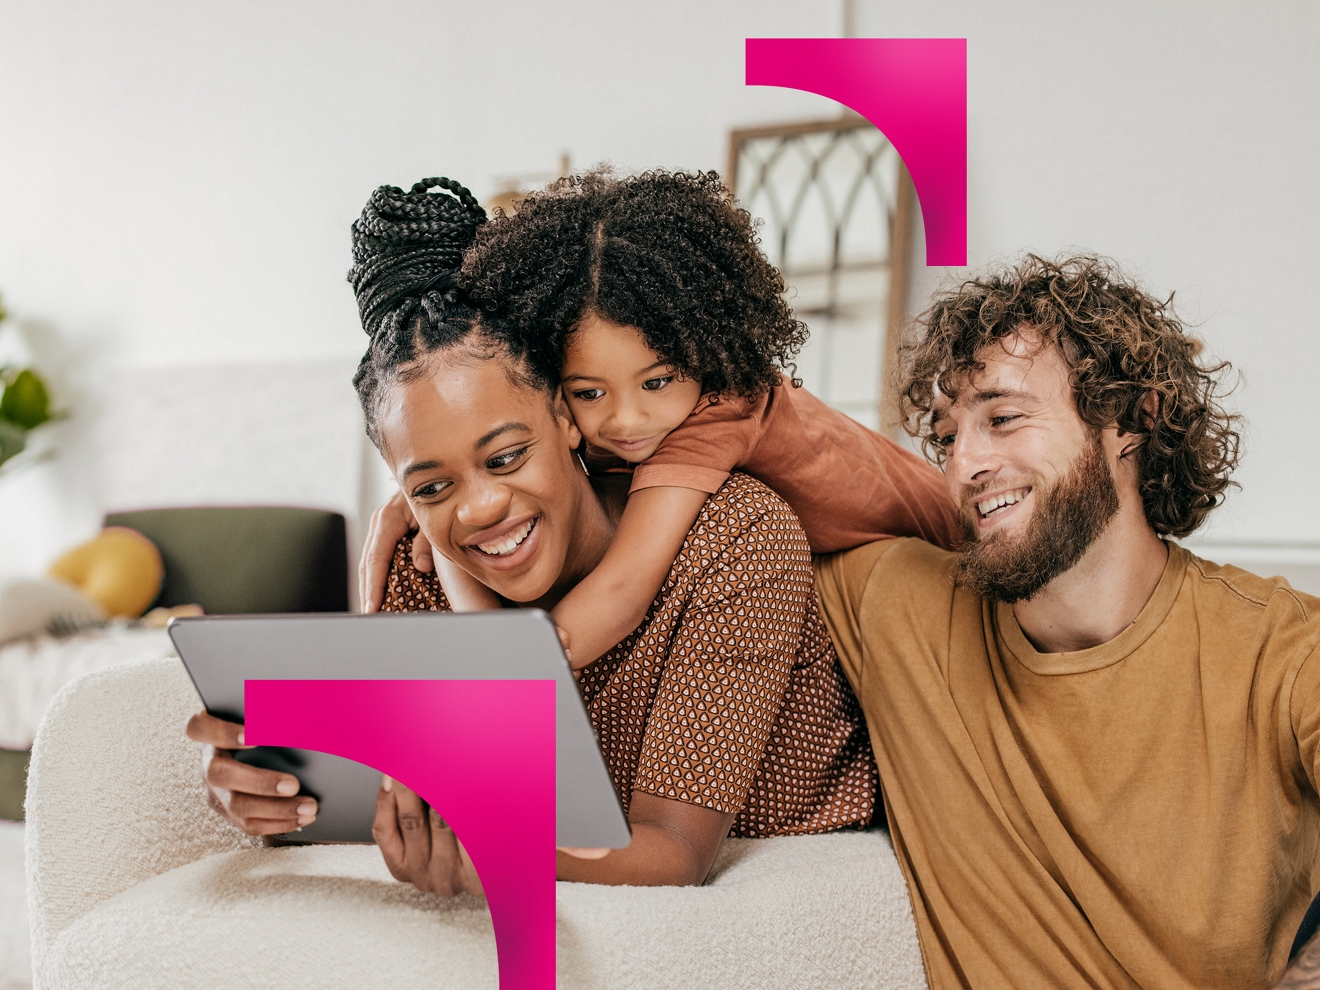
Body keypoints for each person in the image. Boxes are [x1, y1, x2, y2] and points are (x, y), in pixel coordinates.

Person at [187, 176, 947, 891]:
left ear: (562, 416)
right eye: (432, 486)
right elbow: (399, 795)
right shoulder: (419, 562)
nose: (480, 508)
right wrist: (281, 795)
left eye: (505, 457)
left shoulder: (732, 533)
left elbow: (672, 851)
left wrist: (489, 841)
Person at [813, 253, 1320, 988]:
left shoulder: (1282, 650)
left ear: (1132, 421)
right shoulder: (899, 604)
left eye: (1003, 419)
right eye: (948, 437)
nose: (963, 466)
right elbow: (750, 429)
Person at [360, 169, 961, 672]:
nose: (626, 420)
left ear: (704, 349)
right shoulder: (635, 423)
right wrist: (427, 502)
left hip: (950, 543)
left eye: (657, 381)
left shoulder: (716, 413)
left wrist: (487, 675)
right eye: (588, 392)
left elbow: (621, 595)